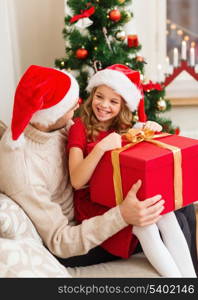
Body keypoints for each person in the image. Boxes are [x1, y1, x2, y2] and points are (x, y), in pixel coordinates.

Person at [0, 64, 166, 269]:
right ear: (52, 113)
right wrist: (122, 215)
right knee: (164, 219)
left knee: (179, 209)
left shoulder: (55, 126)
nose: (78, 105)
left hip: (96, 206)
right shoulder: (24, 172)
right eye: (71, 105)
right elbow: (60, 241)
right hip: (75, 239)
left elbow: (101, 136)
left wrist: (140, 129)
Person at [67, 64, 196, 277]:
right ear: (92, 95)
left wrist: (148, 131)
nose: (104, 105)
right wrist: (100, 148)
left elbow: (139, 162)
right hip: (94, 205)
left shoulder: (124, 127)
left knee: (165, 215)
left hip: (122, 198)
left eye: (113, 101)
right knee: (146, 227)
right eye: (100, 96)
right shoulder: (79, 127)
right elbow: (77, 181)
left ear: (123, 105)